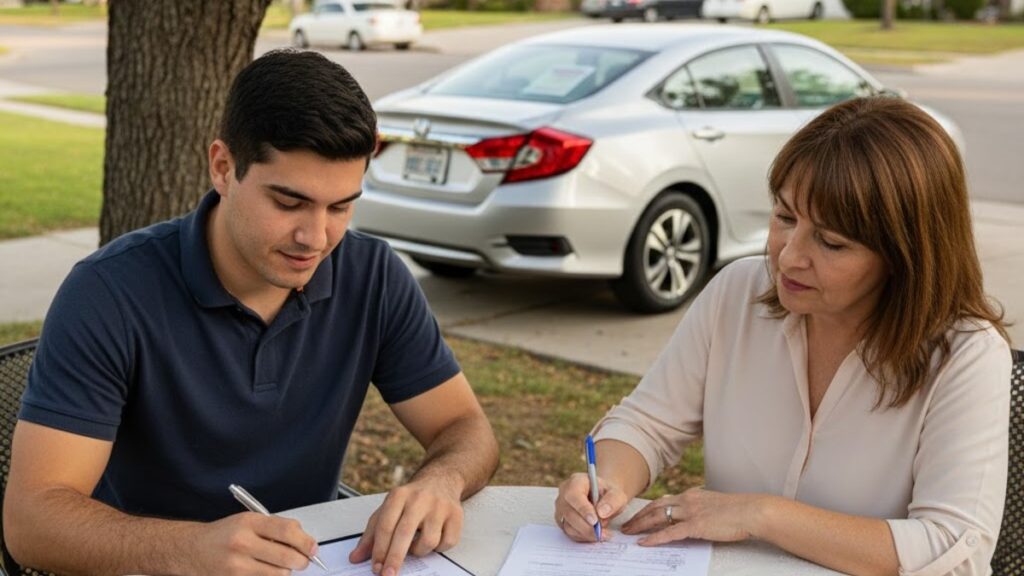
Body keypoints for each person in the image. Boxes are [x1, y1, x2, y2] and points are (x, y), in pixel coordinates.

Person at [4, 49, 499, 576]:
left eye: (340, 207)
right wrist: (189, 550)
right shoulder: (108, 292)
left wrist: (439, 480)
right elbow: (32, 521)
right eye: (288, 203)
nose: (316, 238)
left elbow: (465, 428)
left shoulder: (372, 275)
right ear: (223, 167)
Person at [555, 97, 1011, 576]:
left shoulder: (967, 354)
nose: (789, 256)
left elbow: (955, 550)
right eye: (785, 217)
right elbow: (647, 423)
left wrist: (760, 514)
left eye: (831, 242)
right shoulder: (737, 293)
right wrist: (605, 483)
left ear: (906, 255)